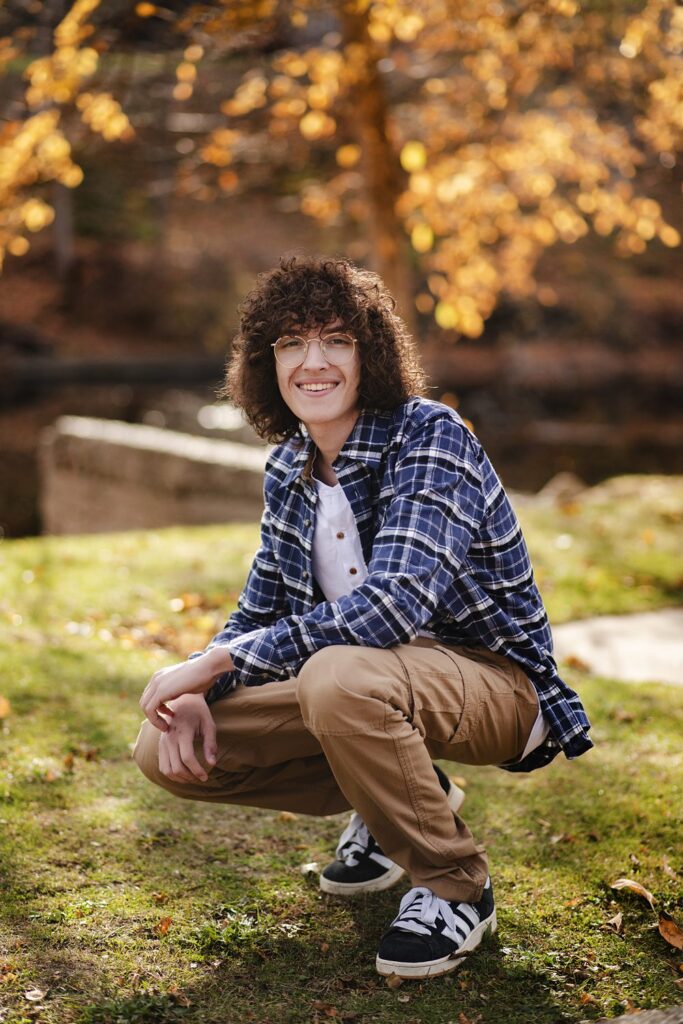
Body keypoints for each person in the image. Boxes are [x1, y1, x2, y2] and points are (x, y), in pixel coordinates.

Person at [134, 254, 592, 980]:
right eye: (290, 343)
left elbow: (392, 607)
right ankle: (402, 806)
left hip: (497, 688)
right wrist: (199, 687)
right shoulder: (288, 468)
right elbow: (262, 608)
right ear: (266, 363)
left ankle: (454, 888)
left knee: (337, 674)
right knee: (164, 746)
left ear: (368, 352)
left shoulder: (428, 435)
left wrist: (220, 663)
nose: (311, 363)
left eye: (334, 340)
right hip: (363, 694)